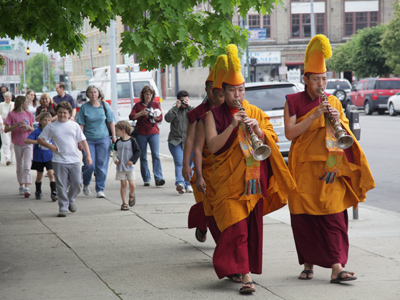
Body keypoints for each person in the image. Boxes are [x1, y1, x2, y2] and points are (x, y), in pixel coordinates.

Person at [284, 35, 375, 283]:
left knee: (334, 216)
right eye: (316, 80)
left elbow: (344, 134)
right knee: (306, 220)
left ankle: (337, 267)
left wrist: (336, 119)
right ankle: (308, 263)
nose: (321, 84)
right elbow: (290, 133)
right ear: (305, 80)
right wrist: (314, 116)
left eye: (324, 79)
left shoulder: (333, 101)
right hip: (303, 170)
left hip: (330, 168)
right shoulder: (293, 101)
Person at [204, 44, 296, 294]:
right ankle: (241, 271)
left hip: (252, 182)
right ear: (223, 92)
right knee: (236, 227)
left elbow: (272, 143)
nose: (238, 94)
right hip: (227, 184)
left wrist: (258, 131)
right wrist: (232, 127)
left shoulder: (254, 111)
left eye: (241, 89)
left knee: (246, 229)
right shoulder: (213, 115)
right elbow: (213, 147)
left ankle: (245, 275)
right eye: (233, 90)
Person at [38, 101, 92, 217]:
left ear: (69, 114)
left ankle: (71, 200)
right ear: (57, 113)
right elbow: (40, 139)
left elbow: (83, 141)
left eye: (65, 113)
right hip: (59, 160)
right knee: (61, 185)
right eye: (60, 112)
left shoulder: (74, 125)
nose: (62, 115)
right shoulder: (51, 126)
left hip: (74, 159)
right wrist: (50, 146)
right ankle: (63, 207)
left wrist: (88, 155)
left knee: (77, 183)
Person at [184, 67, 217, 242]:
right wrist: (184, 164)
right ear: (206, 89)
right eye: (211, 88)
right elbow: (190, 140)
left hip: (223, 165)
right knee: (204, 202)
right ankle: (202, 224)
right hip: (202, 165)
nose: (214, 92)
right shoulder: (197, 113)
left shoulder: (228, 112)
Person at [77, 85, 116, 198]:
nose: (93, 94)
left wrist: (113, 136)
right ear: (88, 95)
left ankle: (100, 189)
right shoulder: (84, 107)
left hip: (103, 138)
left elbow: (111, 121)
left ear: (99, 94)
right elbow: (81, 125)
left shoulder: (105, 105)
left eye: (95, 92)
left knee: (101, 165)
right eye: (91, 92)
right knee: (90, 165)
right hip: (88, 140)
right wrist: (80, 140)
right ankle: (86, 183)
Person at [129, 85, 165, 187]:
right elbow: (131, 116)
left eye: (150, 94)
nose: (148, 96)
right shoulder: (138, 105)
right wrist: (141, 113)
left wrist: (154, 116)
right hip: (141, 133)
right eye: (146, 94)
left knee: (156, 155)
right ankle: (146, 179)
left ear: (152, 95)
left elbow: (160, 118)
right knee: (143, 156)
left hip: (153, 132)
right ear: (143, 95)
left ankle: (158, 178)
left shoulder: (156, 104)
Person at [4, 96, 35, 197]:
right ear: (21, 103)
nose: (28, 103)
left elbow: (33, 129)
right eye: (26, 102)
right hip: (17, 143)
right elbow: (6, 129)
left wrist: (28, 127)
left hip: (28, 142)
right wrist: (16, 125)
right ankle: (21, 184)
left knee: (27, 165)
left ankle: (27, 187)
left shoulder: (29, 114)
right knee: (20, 166)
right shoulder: (11, 114)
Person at [165, 90, 194, 194]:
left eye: (186, 100)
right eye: (182, 101)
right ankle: (180, 183)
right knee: (180, 162)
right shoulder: (174, 110)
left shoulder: (191, 110)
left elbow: (197, 118)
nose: (184, 103)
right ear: (178, 100)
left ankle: (188, 184)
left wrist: (189, 106)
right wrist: (175, 108)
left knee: (190, 164)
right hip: (175, 141)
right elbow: (167, 119)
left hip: (189, 142)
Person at [24, 112, 57, 201]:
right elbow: (27, 140)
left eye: (49, 120)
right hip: (39, 157)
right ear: (41, 121)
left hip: (49, 157)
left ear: (51, 121)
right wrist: (38, 142)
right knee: (39, 175)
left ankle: (54, 192)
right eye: (45, 120)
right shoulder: (37, 131)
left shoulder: (53, 131)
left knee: (51, 174)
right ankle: (38, 191)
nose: (47, 122)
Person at [113, 121, 141, 211]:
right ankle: (124, 203)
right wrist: (115, 159)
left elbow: (138, 151)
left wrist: (132, 161)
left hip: (130, 167)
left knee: (132, 184)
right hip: (121, 167)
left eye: (117, 130)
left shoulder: (132, 141)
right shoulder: (118, 142)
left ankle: (131, 194)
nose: (116, 133)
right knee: (123, 184)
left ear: (123, 131)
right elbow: (114, 153)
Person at [0, 91, 15, 165]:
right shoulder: (1, 105)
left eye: (9, 98)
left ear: (11, 98)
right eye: (6, 98)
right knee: (6, 142)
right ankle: (7, 158)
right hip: (4, 125)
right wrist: (2, 125)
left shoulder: (13, 104)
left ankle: (11, 158)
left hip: (12, 125)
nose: (7, 99)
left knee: (12, 143)